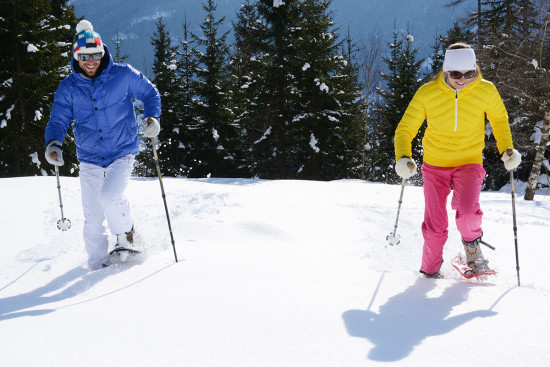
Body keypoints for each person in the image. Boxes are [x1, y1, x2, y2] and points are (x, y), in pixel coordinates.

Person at [393, 42, 521, 279]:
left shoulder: (486, 90)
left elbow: (500, 121)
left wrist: (507, 150)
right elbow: (405, 129)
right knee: (435, 226)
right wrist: (403, 156)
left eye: (469, 73)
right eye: (456, 74)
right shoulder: (427, 93)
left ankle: (472, 249)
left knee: (468, 212)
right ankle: (430, 270)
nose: (463, 80)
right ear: (445, 71)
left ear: (475, 69)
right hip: (434, 165)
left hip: (469, 161)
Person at [44, 20, 161, 270]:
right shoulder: (68, 88)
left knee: (110, 196)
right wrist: (53, 143)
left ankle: (126, 235)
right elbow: (58, 119)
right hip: (89, 156)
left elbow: (150, 93)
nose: (91, 61)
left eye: (96, 55)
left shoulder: (123, 75)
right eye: (84, 56)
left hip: (121, 151)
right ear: (76, 56)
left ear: (103, 52)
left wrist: (152, 118)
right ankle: (97, 265)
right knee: (93, 216)